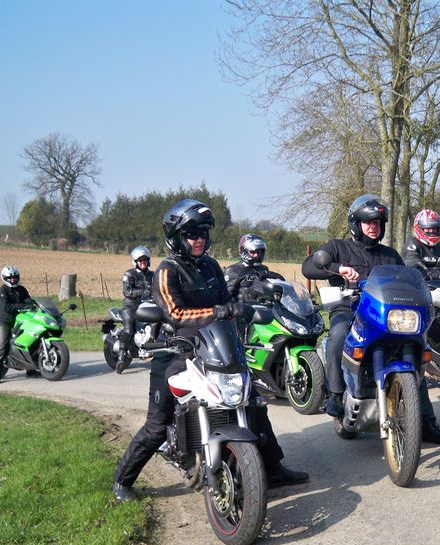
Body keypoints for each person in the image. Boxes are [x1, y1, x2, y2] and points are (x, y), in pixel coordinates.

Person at [113, 199, 308, 502]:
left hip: (216, 346)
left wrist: (241, 309)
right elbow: (175, 314)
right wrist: (218, 311)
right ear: (177, 237)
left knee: (252, 402)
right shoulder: (166, 271)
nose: (199, 239)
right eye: (192, 234)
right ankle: (122, 482)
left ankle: (273, 468)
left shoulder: (212, 267)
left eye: (203, 233)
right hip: (176, 350)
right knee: (157, 424)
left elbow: (226, 304)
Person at [302, 194, 440, 445]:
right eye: (368, 222)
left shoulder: (390, 255)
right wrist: (338, 269)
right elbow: (309, 267)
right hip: (349, 310)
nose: (373, 227)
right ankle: (335, 395)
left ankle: (426, 423)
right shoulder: (338, 247)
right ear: (356, 224)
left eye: (377, 222)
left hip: (383, 315)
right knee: (338, 334)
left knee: (416, 350)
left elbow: (408, 280)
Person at [224, 234, 285, 340]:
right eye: (253, 252)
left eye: (260, 252)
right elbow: (225, 296)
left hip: (264, 313)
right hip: (243, 317)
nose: (257, 255)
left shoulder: (264, 269)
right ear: (243, 250)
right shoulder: (233, 270)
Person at [0, 266, 38, 383]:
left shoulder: (21, 289)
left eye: (14, 277)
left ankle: (31, 369)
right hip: (5, 321)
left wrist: (33, 304)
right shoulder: (3, 290)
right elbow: (6, 307)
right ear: (5, 278)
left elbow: (27, 300)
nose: (13, 279)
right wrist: (23, 306)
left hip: (21, 320)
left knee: (30, 341)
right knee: (3, 344)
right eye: (10, 278)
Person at [116, 246, 154, 373]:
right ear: (135, 262)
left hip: (148, 305)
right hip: (131, 306)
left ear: (148, 261)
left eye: (144, 260)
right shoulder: (129, 274)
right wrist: (143, 291)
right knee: (129, 330)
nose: (142, 262)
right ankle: (121, 357)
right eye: (140, 260)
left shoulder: (153, 275)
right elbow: (127, 291)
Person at [401, 209, 440, 279]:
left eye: (435, 228)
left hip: (438, 283)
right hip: (415, 282)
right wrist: (427, 272)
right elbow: (412, 263)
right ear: (419, 228)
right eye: (428, 228)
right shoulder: (412, 244)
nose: (432, 231)